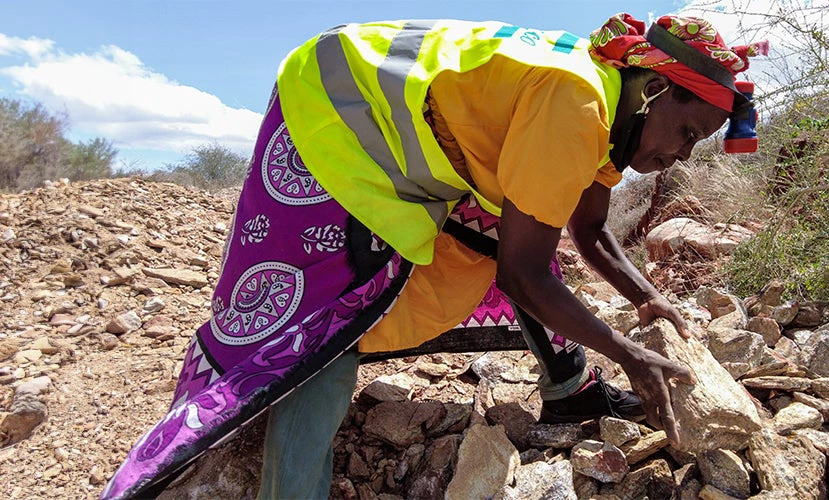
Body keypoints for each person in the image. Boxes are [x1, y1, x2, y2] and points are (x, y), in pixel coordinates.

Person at [110, 12, 767, 500]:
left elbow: (589, 231)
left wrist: (646, 299)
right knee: (334, 313)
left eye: (696, 145)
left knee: (498, 235)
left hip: (421, 140)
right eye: (685, 133)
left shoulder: (611, 110)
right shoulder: (577, 103)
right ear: (653, 91)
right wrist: (628, 353)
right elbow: (526, 272)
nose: (680, 155)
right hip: (337, 112)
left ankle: (568, 390)